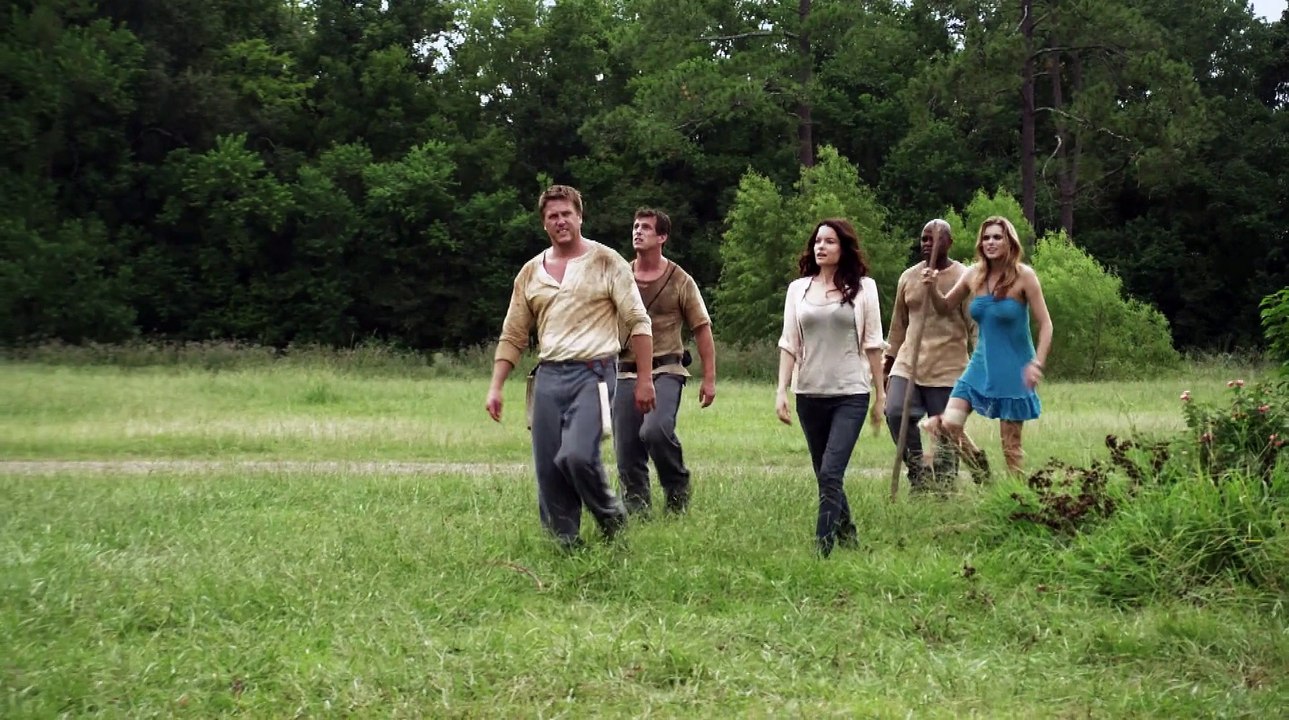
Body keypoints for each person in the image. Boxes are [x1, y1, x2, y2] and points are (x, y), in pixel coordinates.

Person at [485, 185, 656, 549]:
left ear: (580, 217)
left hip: (593, 373)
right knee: (549, 467)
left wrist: (645, 379)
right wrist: (496, 386)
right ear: (544, 224)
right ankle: (565, 542)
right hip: (548, 377)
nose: (560, 221)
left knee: (577, 456)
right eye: (552, 216)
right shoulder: (531, 273)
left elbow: (638, 321)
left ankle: (611, 516)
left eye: (566, 214)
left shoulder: (606, 261)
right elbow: (513, 334)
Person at [775, 218, 885, 557]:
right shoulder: (798, 290)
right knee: (824, 473)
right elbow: (789, 343)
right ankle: (848, 535)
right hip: (809, 393)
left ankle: (822, 549)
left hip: (851, 393)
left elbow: (873, 343)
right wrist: (781, 391)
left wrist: (881, 395)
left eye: (830, 241)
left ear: (844, 248)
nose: (821, 247)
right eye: (817, 241)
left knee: (831, 472)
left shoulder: (864, 288)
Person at [924, 216, 1053, 476]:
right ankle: (980, 468)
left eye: (997, 237)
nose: (990, 242)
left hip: (1015, 368)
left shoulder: (1024, 276)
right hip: (980, 364)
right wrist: (932, 288)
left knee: (1011, 448)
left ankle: (1017, 496)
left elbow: (1046, 325)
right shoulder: (973, 274)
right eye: (986, 238)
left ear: (1009, 242)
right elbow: (944, 307)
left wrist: (1037, 364)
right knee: (948, 424)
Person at [614, 208, 717, 516]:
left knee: (655, 431)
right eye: (635, 226)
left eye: (646, 227)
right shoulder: (619, 276)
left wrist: (709, 378)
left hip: (666, 368)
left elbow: (702, 328)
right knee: (627, 446)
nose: (638, 231)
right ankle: (637, 508)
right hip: (624, 370)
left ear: (662, 237)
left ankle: (676, 489)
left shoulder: (680, 280)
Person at [883, 219, 989, 492]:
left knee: (945, 433)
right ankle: (919, 474)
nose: (928, 243)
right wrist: (887, 364)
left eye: (936, 238)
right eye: (925, 238)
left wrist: (981, 365)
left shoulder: (964, 276)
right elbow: (898, 326)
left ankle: (947, 487)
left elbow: (975, 326)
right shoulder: (908, 277)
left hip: (948, 368)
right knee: (895, 412)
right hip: (908, 364)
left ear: (949, 243)